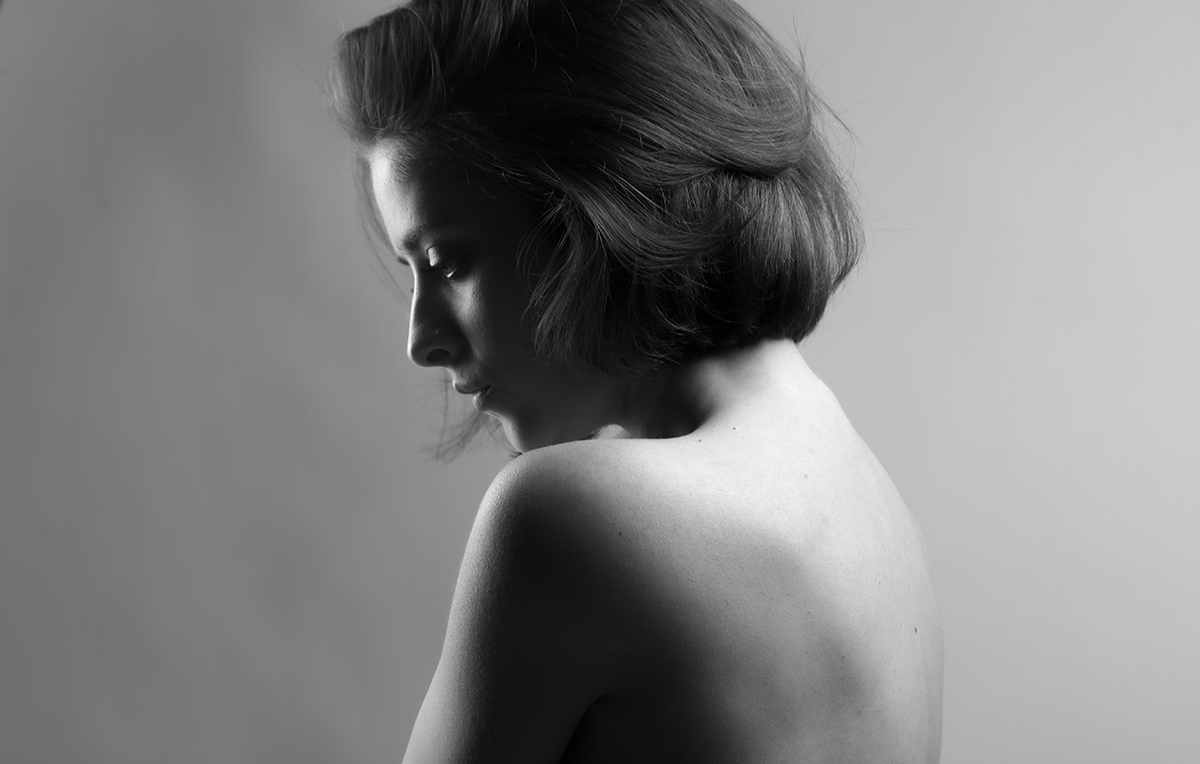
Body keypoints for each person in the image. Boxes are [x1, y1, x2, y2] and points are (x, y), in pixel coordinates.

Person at [328, 0, 943, 761]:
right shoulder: (882, 518)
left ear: (593, 211)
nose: (421, 340)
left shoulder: (564, 520)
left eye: (448, 262)